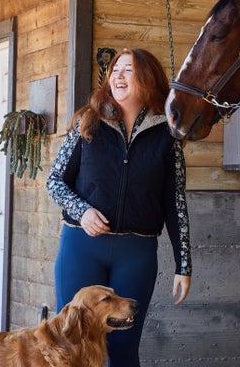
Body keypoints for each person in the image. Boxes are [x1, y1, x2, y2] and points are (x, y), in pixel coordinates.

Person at [46, 48, 192, 367]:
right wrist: (82, 211)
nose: (118, 76)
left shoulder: (167, 135)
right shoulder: (88, 122)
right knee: (71, 345)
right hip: (82, 248)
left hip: (136, 253)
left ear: (148, 80)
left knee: (123, 350)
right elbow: (55, 180)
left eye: (129, 70)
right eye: (115, 70)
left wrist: (184, 265)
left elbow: (175, 202)